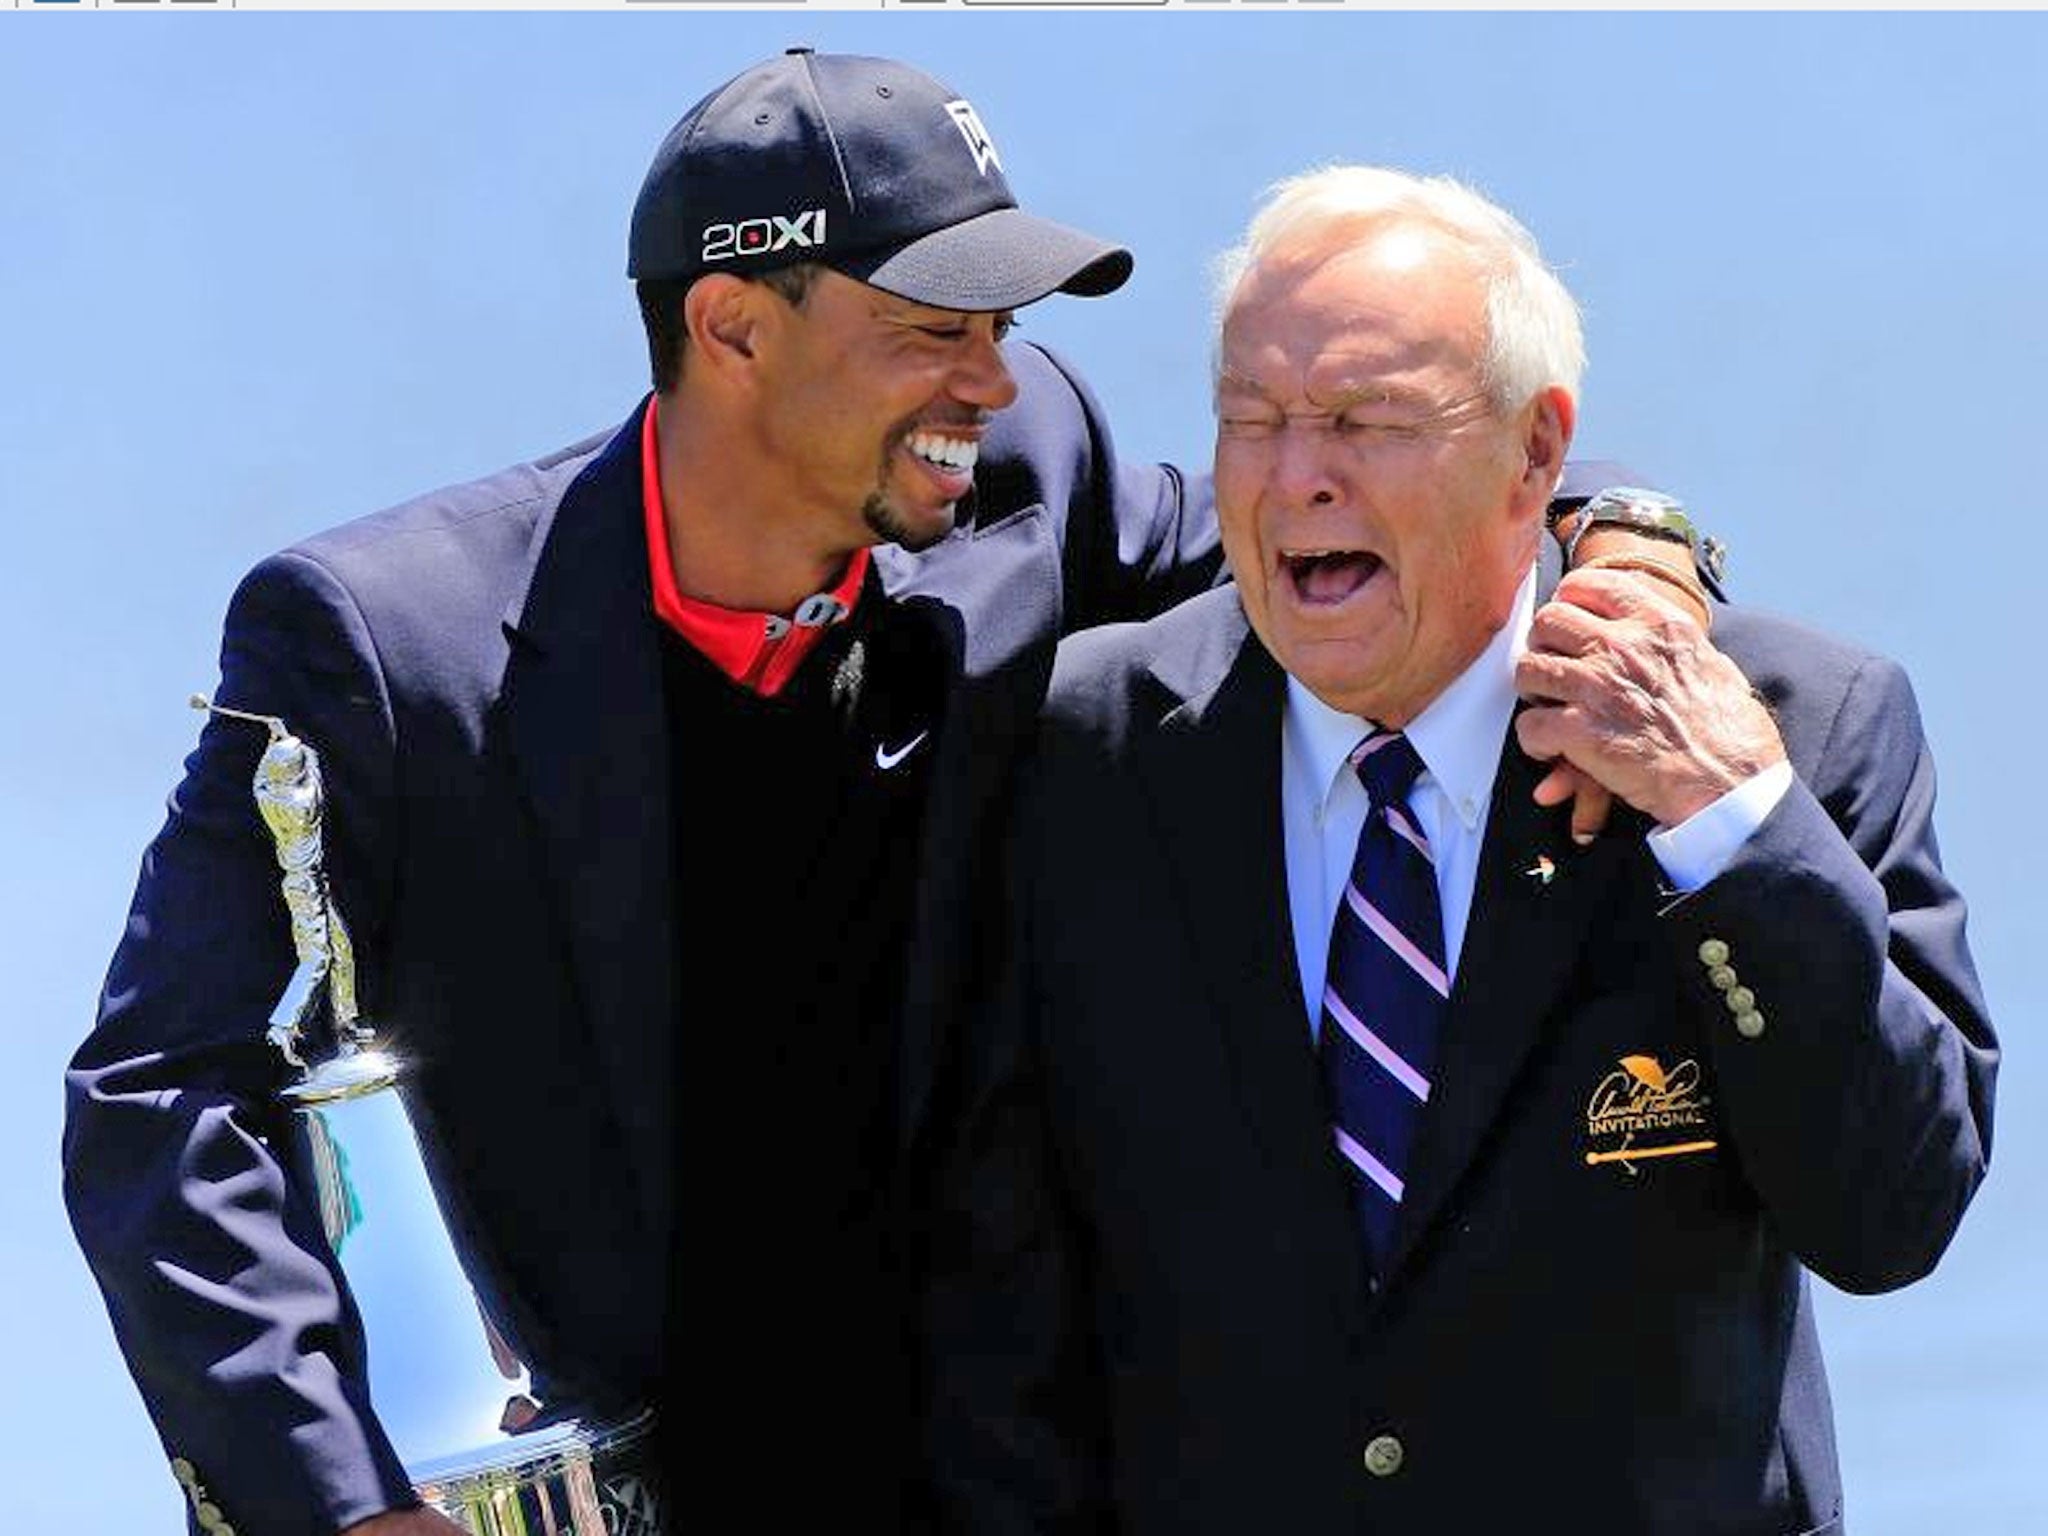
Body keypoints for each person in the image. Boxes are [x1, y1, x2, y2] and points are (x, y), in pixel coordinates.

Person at [63, 48, 1694, 1533]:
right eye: (931, 332)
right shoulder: (381, 643)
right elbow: (159, 1092)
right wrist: (339, 1503)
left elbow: (1369, 538)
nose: (990, 382)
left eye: (1001, 330)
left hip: (994, 1484)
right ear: (732, 330)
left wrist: (1625, 531)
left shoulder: (1027, 479)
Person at [928, 166, 1997, 1534]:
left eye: (1364, 420)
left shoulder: (1799, 726)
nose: (1296, 475)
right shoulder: (1084, 755)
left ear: (1537, 450)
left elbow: (1893, 1216)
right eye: (1252, 420)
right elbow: (997, 1319)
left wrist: (1735, 823)